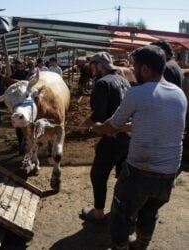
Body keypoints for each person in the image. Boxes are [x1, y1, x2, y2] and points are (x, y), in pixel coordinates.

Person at [93, 45, 187, 250]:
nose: (132, 71)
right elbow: (158, 123)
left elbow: (112, 125)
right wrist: (130, 126)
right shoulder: (179, 94)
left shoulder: (138, 93)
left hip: (140, 171)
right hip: (169, 172)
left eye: (134, 67)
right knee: (150, 211)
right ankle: (141, 245)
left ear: (145, 69)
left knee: (121, 215)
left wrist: (100, 128)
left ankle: (120, 247)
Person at [79, 51, 131, 223]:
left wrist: (83, 125)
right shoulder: (123, 80)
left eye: (93, 65)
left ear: (100, 66)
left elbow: (98, 115)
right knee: (124, 177)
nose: (91, 69)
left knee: (98, 174)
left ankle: (98, 213)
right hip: (128, 137)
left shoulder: (102, 83)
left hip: (111, 137)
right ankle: (123, 212)